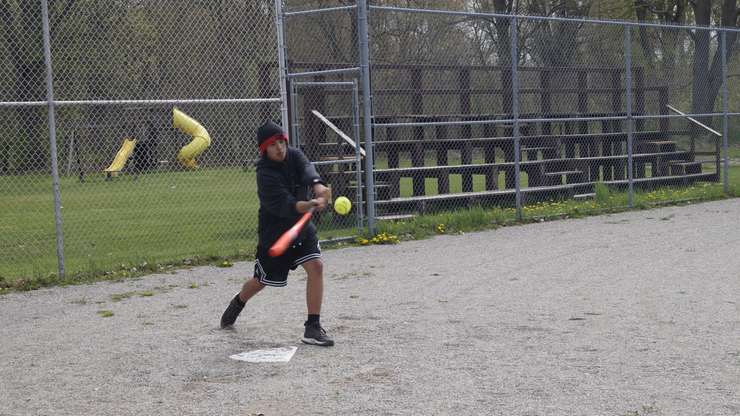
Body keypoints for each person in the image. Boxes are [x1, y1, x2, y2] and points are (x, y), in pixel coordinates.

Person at [220, 121, 334, 346]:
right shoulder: (264, 173)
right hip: (275, 235)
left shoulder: (295, 155)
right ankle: (239, 301)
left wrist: (320, 189)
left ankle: (312, 327)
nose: (279, 148)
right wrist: (310, 203)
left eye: (281, 142)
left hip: (301, 230)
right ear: (264, 149)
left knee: (316, 266)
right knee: (260, 282)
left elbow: (310, 174)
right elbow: (286, 204)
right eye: (273, 145)